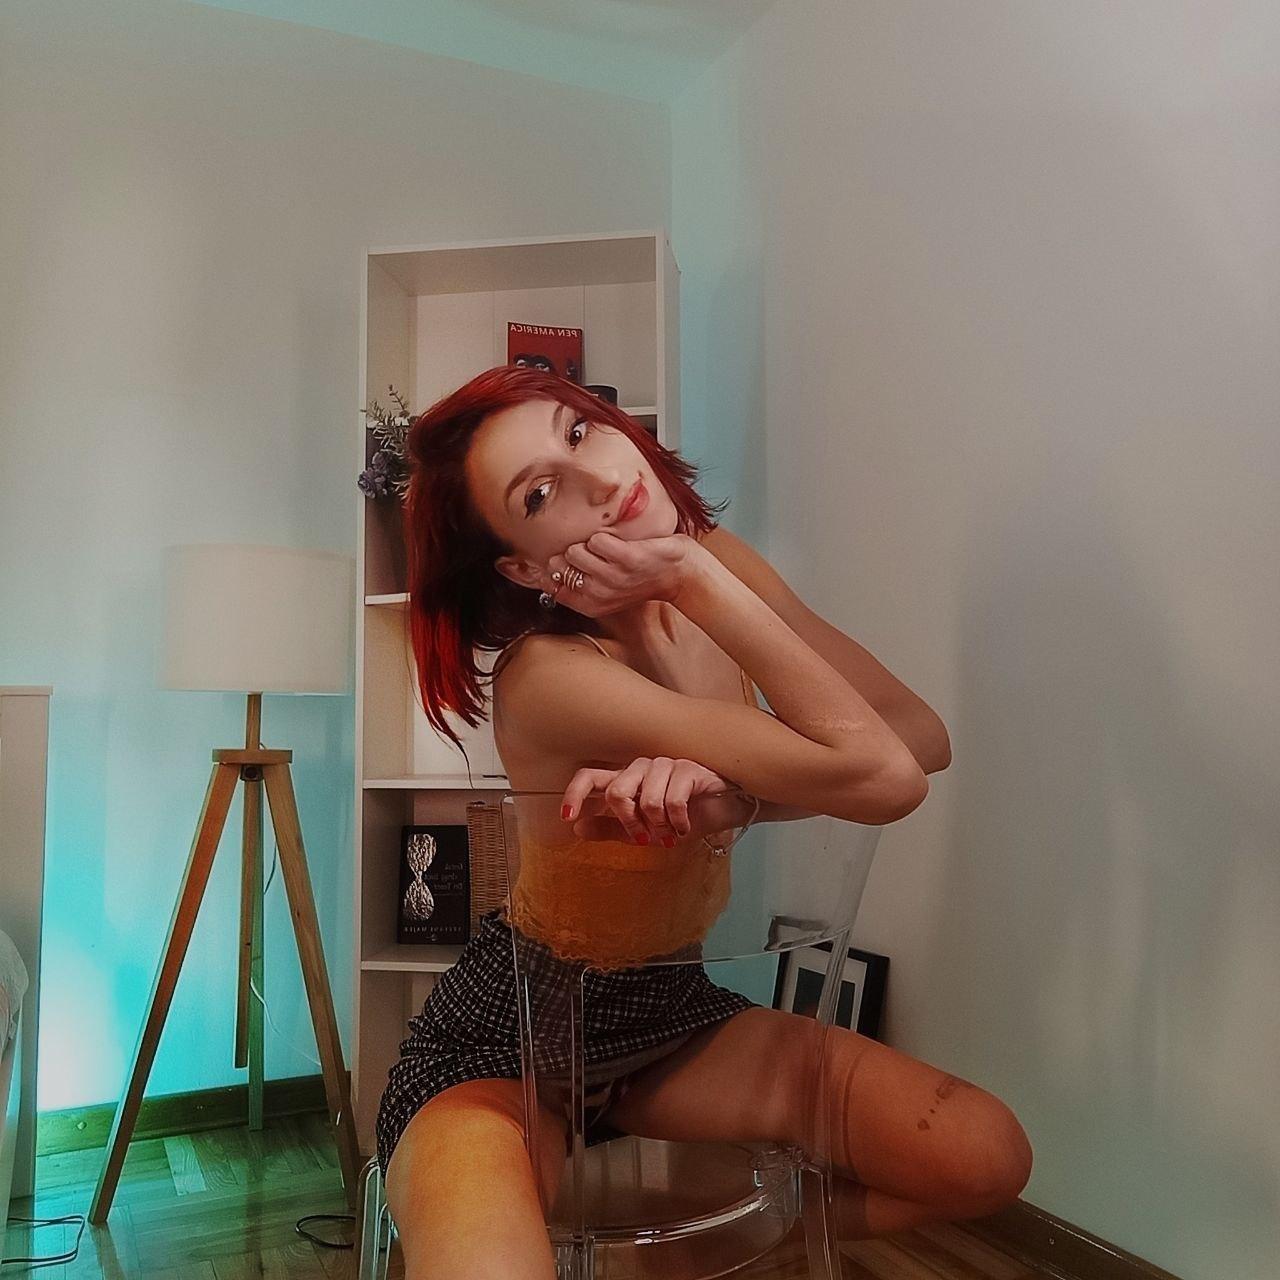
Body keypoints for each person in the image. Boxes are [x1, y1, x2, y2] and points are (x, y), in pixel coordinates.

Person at [376, 365, 1032, 1279]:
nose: (600, 477)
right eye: (540, 494)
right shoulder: (549, 675)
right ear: (524, 568)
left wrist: (731, 780)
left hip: (674, 1015)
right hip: (510, 1038)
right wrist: (695, 578)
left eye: (578, 432)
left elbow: (919, 739)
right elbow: (881, 777)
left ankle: (693, 1253)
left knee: (985, 1155)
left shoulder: (712, 569)